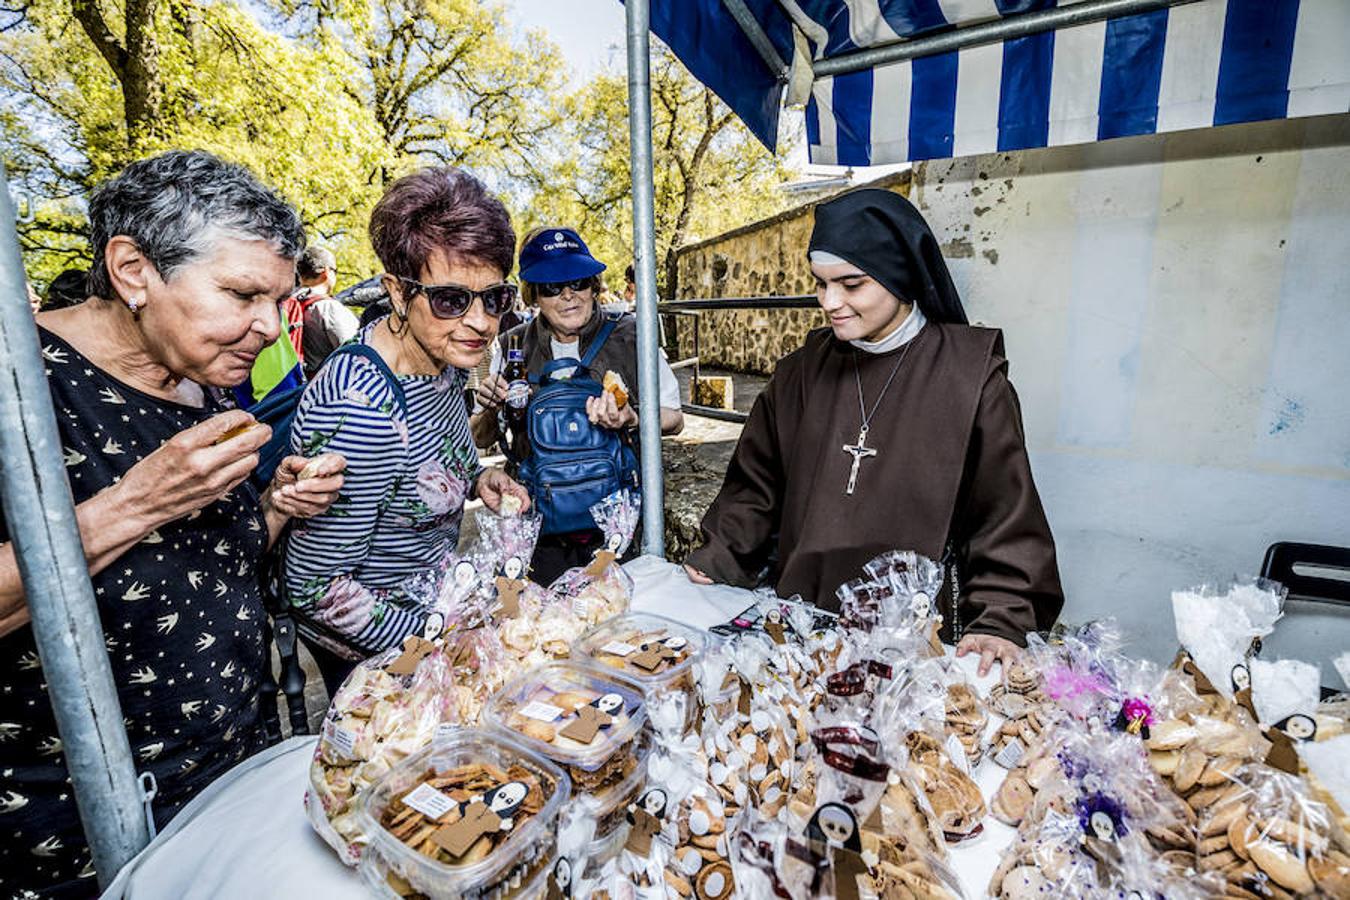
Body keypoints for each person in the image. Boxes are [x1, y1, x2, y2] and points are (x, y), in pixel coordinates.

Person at [0, 150, 346, 897]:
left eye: (280, 300)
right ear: (132, 271)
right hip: (80, 833)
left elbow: (204, 556)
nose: (269, 328)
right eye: (242, 294)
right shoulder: (18, 387)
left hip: (235, 782)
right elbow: (144, 518)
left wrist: (275, 506)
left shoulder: (206, 379)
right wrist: (135, 503)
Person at [684, 189, 1062, 675]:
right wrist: (721, 553)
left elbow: (1004, 518)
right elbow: (756, 485)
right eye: (821, 284)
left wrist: (1002, 616)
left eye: (851, 284)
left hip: (917, 643)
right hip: (803, 625)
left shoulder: (971, 380)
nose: (830, 302)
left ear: (899, 273)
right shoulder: (800, 373)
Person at [282, 168, 530, 694]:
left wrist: (476, 483)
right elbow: (313, 586)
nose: (482, 321)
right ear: (397, 292)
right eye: (450, 298)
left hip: (434, 609)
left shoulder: (441, 356)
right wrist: (441, 639)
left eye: (494, 298)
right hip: (381, 654)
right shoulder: (362, 407)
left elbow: (424, 464)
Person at [471, 227, 683, 585]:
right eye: (551, 286)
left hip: (618, 525)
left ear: (594, 285)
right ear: (534, 294)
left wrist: (630, 416)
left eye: (579, 282)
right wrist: (491, 407)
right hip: (537, 526)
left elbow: (674, 418)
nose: (568, 295)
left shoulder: (632, 336)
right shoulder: (511, 347)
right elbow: (480, 438)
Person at [290, 245, 359, 377]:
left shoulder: (287, 303)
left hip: (296, 384)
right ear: (326, 272)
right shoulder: (329, 308)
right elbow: (357, 355)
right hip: (329, 387)